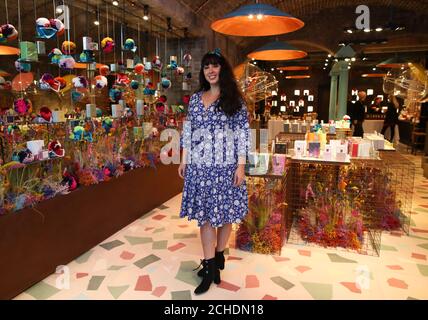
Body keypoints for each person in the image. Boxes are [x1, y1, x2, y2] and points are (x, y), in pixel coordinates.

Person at [178, 49, 250, 295]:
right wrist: (184, 159)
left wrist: (241, 165)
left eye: (215, 65)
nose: (210, 70)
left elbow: (242, 135)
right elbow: (189, 132)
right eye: (206, 66)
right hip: (200, 168)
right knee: (206, 217)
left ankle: (218, 256)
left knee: (225, 214)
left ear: (223, 69)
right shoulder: (197, 99)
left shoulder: (235, 101)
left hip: (226, 167)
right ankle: (210, 268)